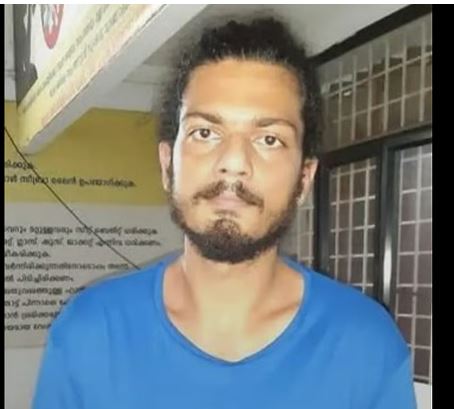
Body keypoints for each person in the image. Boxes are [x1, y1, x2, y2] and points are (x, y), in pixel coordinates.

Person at [32, 17, 417, 409]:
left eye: (269, 139)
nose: (233, 162)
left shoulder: (365, 348)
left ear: (304, 178)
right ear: (167, 165)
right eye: (205, 133)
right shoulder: (89, 334)